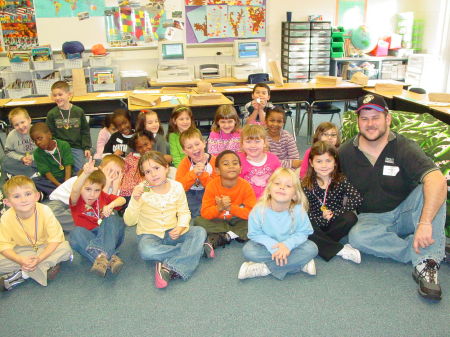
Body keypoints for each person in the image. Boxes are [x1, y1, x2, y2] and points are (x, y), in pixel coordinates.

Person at [339, 94, 447, 301]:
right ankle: (432, 250)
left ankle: (427, 265)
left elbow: (437, 180)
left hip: (406, 211)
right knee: (358, 238)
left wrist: (424, 222)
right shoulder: (345, 152)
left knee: (434, 188)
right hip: (371, 218)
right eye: (364, 118)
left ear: (387, 119)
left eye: (376, 117)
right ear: (358, 121)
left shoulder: (403, 146)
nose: (370, 124)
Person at [123, 151, 213, 289]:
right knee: (146, 250)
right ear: (143, 176)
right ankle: (196, 250)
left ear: (166, 168)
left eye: (157, 168)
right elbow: (129, 222)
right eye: (147, 172)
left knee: (199, 232)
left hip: (172, 232)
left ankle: (168, 267)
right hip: (149, 235)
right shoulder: (141, 190)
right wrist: (135, 200)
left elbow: (184, 212)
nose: (153, 174)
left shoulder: (176, 186)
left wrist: (181, 226)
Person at [239, 168, 318, 280]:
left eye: (288, 186)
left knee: (312, 248)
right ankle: (298, 266)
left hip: (291, 247)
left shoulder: (298, 210)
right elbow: (254, 234)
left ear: (295, 195)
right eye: (277, 183)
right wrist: (275, 248)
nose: (282, 187)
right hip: (267, 246)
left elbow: (304, 232)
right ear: (269, 189)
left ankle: (265, 268)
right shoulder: (258, 210)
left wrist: (287, 245)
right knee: (248, 250)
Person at [0, 176, 73, 291]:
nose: (23, 200)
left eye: (28, 194)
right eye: (16, 196)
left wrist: (39, 258)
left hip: (44, 248)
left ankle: (22, 274)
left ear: (37, 196)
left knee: (65, 248)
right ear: (7, 202)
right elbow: (3, 246)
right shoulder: (5, 218)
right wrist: (20, 260)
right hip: (21, 250)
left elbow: (55, 240)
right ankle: (43, 268)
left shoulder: (45, 210)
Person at [301, 141, 362, 263]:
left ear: (335, 163)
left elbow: (357, 199)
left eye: (328, 161)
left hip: (334, 221)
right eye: (319, 161)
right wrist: (321, 218)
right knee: (302, 223)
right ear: (311, 163)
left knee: (350, 217)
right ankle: (339, 249)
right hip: (315, 224)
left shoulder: (340, 180)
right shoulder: (305, 184)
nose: (324, 165)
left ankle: (319, 244)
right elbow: (303, 211)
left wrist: (335, 213)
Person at [69, 158, 126, 277]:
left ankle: (101, 255)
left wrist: (111, 205)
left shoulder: (103, 196)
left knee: (113, 217)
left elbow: (122, 200)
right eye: (88, 189)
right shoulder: (77, 200)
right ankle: (108, 258)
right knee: (75, 234)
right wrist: (85, 173)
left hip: (109, 235)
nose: (92, 194)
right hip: (88, 237)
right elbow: (75, 190)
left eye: (97, 190)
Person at [194, 150, 256, 248]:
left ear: (240, 169)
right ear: (217, 170)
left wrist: (230, 208)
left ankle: (225, 236)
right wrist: (219, 207)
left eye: (235, 163)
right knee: (198, 221)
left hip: (237, 219)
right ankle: (235, 234)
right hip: (218, 220)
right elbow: (205, 213)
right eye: (226, 164)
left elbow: (252, 213)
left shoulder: (245, 186)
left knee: (257, 221)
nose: (231, 166)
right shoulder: (212, 185)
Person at [47, 154, 125, 232]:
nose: (113, 175)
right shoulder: (90, 178)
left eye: (118, 173)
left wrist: (115, 188)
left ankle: (85, 226)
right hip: (59, 203)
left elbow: (108, 207)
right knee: (51, 214)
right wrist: (106, 184)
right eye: (110, 171)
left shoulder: (116, 185)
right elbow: (98, 202)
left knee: (108, 216)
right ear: (100, 169)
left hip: (80, 208)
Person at [46, 81, 91, 172]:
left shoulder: (78, 111)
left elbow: (85, 131)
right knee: (62, 170)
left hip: (76, 147)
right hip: (60, 148)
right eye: (54, 95)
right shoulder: (52, 114)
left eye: (60, 94)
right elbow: (50, 134)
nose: (57, 98)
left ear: (69, 94)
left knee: (80, 171)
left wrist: (86, 147)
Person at [175, 128, 217, 218]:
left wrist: (202, 174)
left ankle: (204, 215)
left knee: (217, 203)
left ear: (204, 143)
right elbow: (179, 187)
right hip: (191, 193)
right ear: (184, 151)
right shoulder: (185, 163)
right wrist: (193, 173)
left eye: (197, 144)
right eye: (189, 147)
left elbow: (215, 187)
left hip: (208, 192)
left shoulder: (214, 161)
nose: (195, 149)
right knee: (184, 205)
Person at [30, 122, 74, 196]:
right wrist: (60, 186)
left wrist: (66, 184)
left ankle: (54, 193)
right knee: (33, 182)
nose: (38, 142)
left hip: (67, 177)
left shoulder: (64, 145)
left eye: (40, 138)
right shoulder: (37, 153)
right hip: (52, 181)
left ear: (49, 135)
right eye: (35, 141)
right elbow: (47, 173)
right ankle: (64, 192)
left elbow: (68, 166)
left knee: (81, 175)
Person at [238, 124, 281, 199]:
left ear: (264, 143)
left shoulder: (273, 159)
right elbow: (237, 185)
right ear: (242, 144)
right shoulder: (239, 161)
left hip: (270, 198)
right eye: (248, 142)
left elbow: (280, 179)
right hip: (248, 200)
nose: (253, 145)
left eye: (257, 141)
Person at [3, 107, 38, 178]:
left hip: (36, 157)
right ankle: (33, 174)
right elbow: (8, 151)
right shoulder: (11, 135)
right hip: (20, 159)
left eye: (22, 122)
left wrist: (32, 157)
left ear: (29, 120)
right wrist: (21, 158)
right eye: (16, 125)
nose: (21, 126)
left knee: (48, 158)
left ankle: (22, 174)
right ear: (13, 126)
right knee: (5, 162)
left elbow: (44, 148)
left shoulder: (37, 131)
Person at [120, 131, 154, 198]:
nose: (144, 149)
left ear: (151, 142)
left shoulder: (156, 160)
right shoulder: (130, 159)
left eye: (146, 144)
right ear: (136, 149)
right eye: (139, 147)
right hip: (128, 195)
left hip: (147, 193)